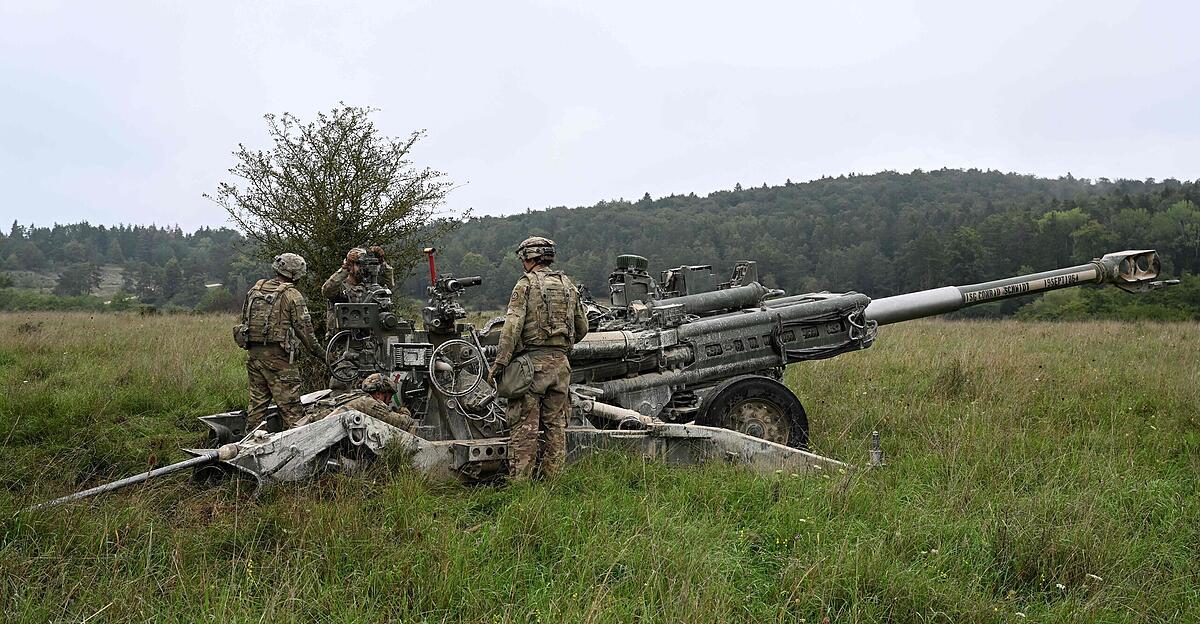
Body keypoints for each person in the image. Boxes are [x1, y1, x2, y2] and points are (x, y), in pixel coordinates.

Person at [487, 236, 589, 481]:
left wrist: (500, 362)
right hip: (561, 366)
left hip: (531, 367)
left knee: (525, 427)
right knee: (556, 427)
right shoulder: (568, 285)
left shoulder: (525, 285)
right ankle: (552, 483)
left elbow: (512, 327)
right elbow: (582, 326)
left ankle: (521, 484)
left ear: (528, 257)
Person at [238, 252, 324, 431]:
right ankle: (301, 449)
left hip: (254, 357)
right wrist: (325, 356)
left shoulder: (256, 289)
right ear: (296, 274)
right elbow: (306, 334)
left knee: (257, 406)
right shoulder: (292, 295)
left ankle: (249, 445)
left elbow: (244, 321)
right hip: (279, 362)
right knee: (292, 411)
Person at [321, 246, 395, 393]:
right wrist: (345, 268)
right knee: (341, 392)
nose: (363, 269)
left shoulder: (370, 289)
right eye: (360, 265)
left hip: (371, 352)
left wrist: (382, 263)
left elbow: (390, 286)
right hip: (346, 351)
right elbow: (327, 290)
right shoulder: (342, 288)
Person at [303, 373, 419, 432]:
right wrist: (405, 411)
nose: (389, 401)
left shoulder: (357, 395)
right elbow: (400, 423)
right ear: (378, 394)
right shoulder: (369, 403)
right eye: (388, 396)